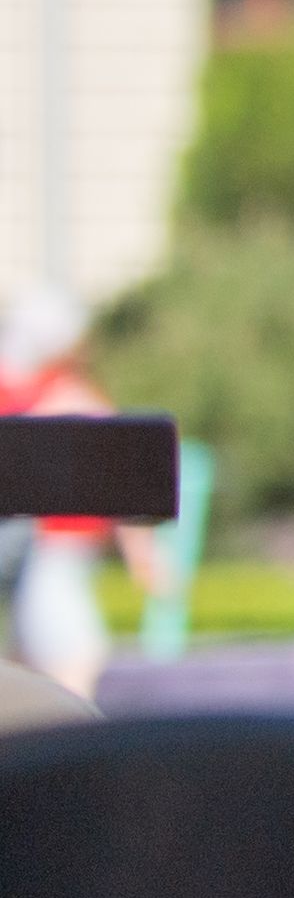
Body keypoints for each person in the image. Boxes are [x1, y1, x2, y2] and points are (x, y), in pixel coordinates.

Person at [2, 285, 162, 695]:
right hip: (49, 549)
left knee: (48, 660)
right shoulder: (53, 393)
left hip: (50, 550)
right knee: (76, 660)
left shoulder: (51, 391)